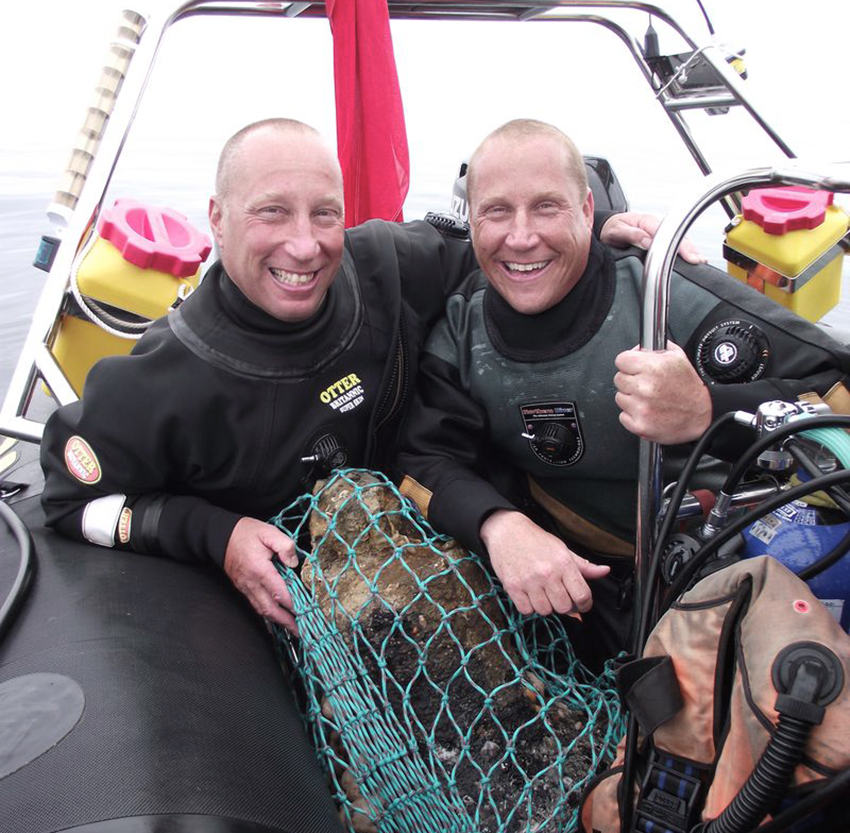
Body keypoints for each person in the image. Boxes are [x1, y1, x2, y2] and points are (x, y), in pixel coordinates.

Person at [39, 117, 667, 632]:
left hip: (428, 529)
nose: (306, 246)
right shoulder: (163, 378)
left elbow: (506, 254)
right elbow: (71, 503)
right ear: (217, 219)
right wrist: (214, 533)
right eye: (272, 214)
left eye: (325, 214)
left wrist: (597, 246)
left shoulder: (386, 268)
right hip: (284, 610)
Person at [396, 118, 850, 665]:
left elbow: (835, 393)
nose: (521, 237)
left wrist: (708, 412)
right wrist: (499, 525)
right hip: (585, 584)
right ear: (472, 220)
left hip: (732, 562)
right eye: (497, 211)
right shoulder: (462, 332)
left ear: (588, 211)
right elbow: (426, 458)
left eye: (547, 207)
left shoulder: (668, 294)